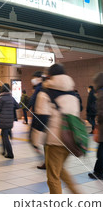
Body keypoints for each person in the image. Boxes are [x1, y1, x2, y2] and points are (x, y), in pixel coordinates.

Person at [35, 64, 80, 194]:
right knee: (59, 170)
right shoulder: (73, 94)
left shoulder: (45, 92)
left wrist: (35, 140)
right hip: (71, 139)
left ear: (50, 75)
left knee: (53, 177)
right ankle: (78, 194)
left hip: (55, 140)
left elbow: (41, 118)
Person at [0, 83, 19, 159]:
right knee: (3, 134)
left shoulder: (1, 98)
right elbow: (17, 106)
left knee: (5, 136)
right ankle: (4, 151)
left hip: (3, 119)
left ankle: (10, 153)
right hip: (10, 119)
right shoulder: (11, 97)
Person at [29, 71, 45, 170]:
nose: (33, 80)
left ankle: (45, 160)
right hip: (42, 116)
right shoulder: (43, 87)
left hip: (39, 116)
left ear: (39, 78)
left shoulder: (39, 88)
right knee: (45, 141)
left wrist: (26, 107)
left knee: (32, 138)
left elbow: (33, 100)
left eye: (35, 77)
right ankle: (46, 161)